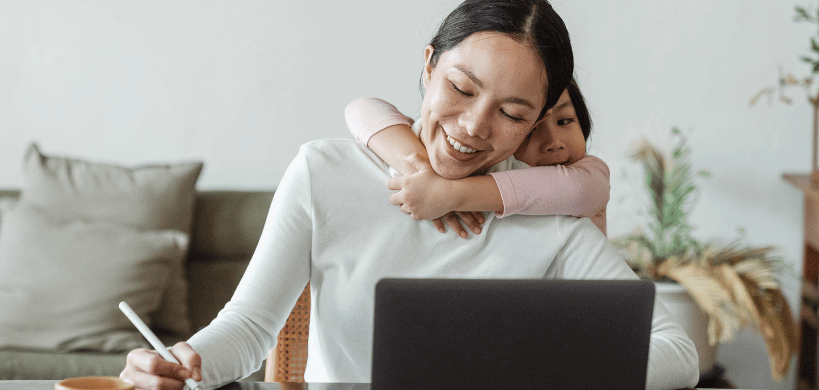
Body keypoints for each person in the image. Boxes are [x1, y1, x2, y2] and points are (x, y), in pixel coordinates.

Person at [120, 1, 699, 389]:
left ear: (534, 125)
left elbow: (678, 353)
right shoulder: (325, 173)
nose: (474, 126)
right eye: (460, 88)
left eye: (512, 113)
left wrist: (541, 366)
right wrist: (179, 366)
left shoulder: (550, 216)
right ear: (428, 67)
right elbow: (248, 329)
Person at [344, 78, 610, 237]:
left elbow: (579, 190)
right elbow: (362, 109)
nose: (554, 143)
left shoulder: (589, 173)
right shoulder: (489, 166)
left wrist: (449, 193)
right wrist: (421, 172)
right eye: (530, 130)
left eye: (565, 121)